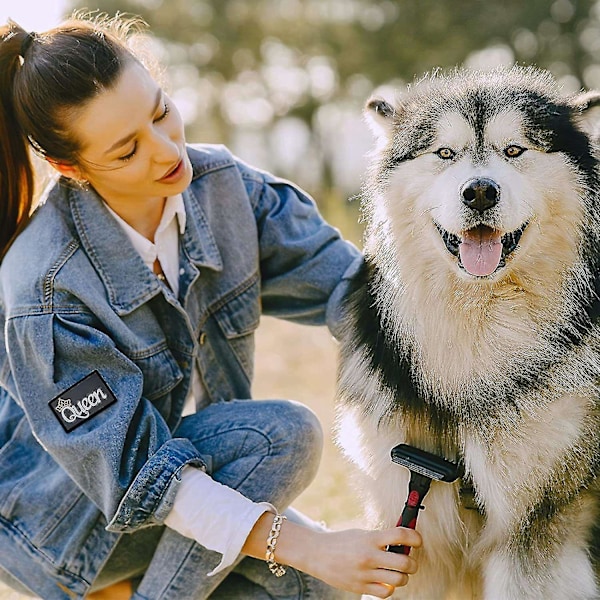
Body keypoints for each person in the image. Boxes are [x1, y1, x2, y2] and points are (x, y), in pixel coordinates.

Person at [0, 13, 421, 600]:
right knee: (279, 437)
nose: (166, 148)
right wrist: (315, 547)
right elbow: (135, 476)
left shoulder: (224, 190)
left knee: (315, 591)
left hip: (190, 491)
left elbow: (358, 293)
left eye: (160, 110)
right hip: (56, 530)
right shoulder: (45, 287)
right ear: (72, 169)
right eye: (127, 151)